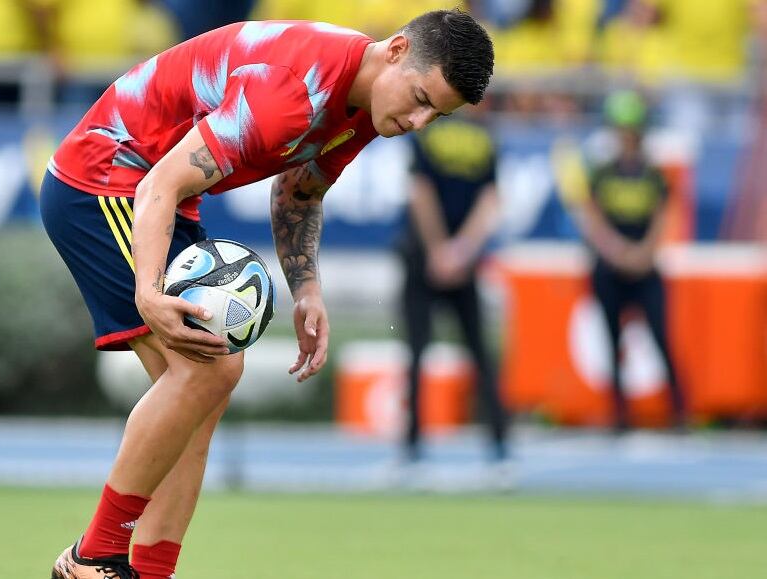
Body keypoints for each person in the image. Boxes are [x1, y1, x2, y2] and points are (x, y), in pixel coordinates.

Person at [41, 10, 494, 579]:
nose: (420, 121)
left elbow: (299, 194)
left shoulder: (362, 105)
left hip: (157, 193)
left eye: (438, 113)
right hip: (105, 181)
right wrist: (150, 294)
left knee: (203, 394)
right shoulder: (290, 92)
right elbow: (160, 182)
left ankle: (148, 571)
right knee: (206, 373)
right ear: (398, 49)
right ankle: (95, 558)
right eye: (422, 98)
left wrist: (307, 290)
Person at [396, 103, 508, 465]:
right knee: (479, 352)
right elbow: (490, 200)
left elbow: (420, 192)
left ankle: (412, 445)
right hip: (462, 262)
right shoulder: (483, 138)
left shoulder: (428, 132)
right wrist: (462, 251)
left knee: (416, 352)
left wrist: (438, 250)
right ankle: (499, 443)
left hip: (423, 256)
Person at [576, 89, 687, 434]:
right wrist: (616, 250)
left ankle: (680, 412)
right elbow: (591, 219)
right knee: (611, 340)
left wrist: (642, 254)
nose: (625, 136)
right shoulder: (602, 173)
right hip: (609, 268)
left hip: (644, 268)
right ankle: (619, 415)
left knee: (661, 337)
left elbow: (661, 218)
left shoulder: (653, 175)